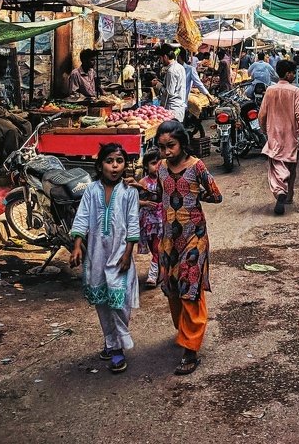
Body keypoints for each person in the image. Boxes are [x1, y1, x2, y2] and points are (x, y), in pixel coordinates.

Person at [155, 119, 222, 376]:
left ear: (182, 143)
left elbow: (216, 195)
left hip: (195, 237)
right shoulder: (160, 168)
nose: (166, 152)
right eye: (162, 147)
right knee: (173, 288)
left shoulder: (197, 167)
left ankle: (191, 349)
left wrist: (196, 196)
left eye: (170, 146)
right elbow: (159, 197)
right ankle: (185, 333)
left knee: (190, 289)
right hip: (169, 239)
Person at [69, 143, 140, 374]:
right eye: (110, 161)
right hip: (97, 255)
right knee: (102, 302)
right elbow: (82, 218)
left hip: (120, 255)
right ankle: (111, 342)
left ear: (125, 165)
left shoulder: (130, 192)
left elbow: (132, 224)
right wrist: (77, 246)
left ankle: (118, 346)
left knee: (120, 302)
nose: (115, 166)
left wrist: (128, 254)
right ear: (100, 165)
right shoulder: (91, 190)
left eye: (119, 161)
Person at [258, 59, 299, 215]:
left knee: (276, 165)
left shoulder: (270, 90)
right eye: (293, 73)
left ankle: (280, 190)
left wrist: (264, 129)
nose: (294, 75)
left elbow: (262, 114)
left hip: (274, 133)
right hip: (290, 134)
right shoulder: (295, 91)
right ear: (288, 73)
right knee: (291, 165)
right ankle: (288, 195)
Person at [136, 149, 163, 288]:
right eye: (153, 163)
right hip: (148, 221)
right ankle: (161, 271)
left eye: (159, 162)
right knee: (154, 248)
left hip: (161, 221)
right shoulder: (143, 182)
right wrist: (145, 203)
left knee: (158, 248)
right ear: (146, 166)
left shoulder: (164, 180)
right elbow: (135, 200)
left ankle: (152, 276)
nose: (157, 166)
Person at [153, 43, 187, 122]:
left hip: (172, 110)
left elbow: (169, 92)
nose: (160, 61)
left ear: (165, 57)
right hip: (179, 107)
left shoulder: (171, 71)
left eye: (160, 58)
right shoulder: (180, 67)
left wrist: (157, 84)